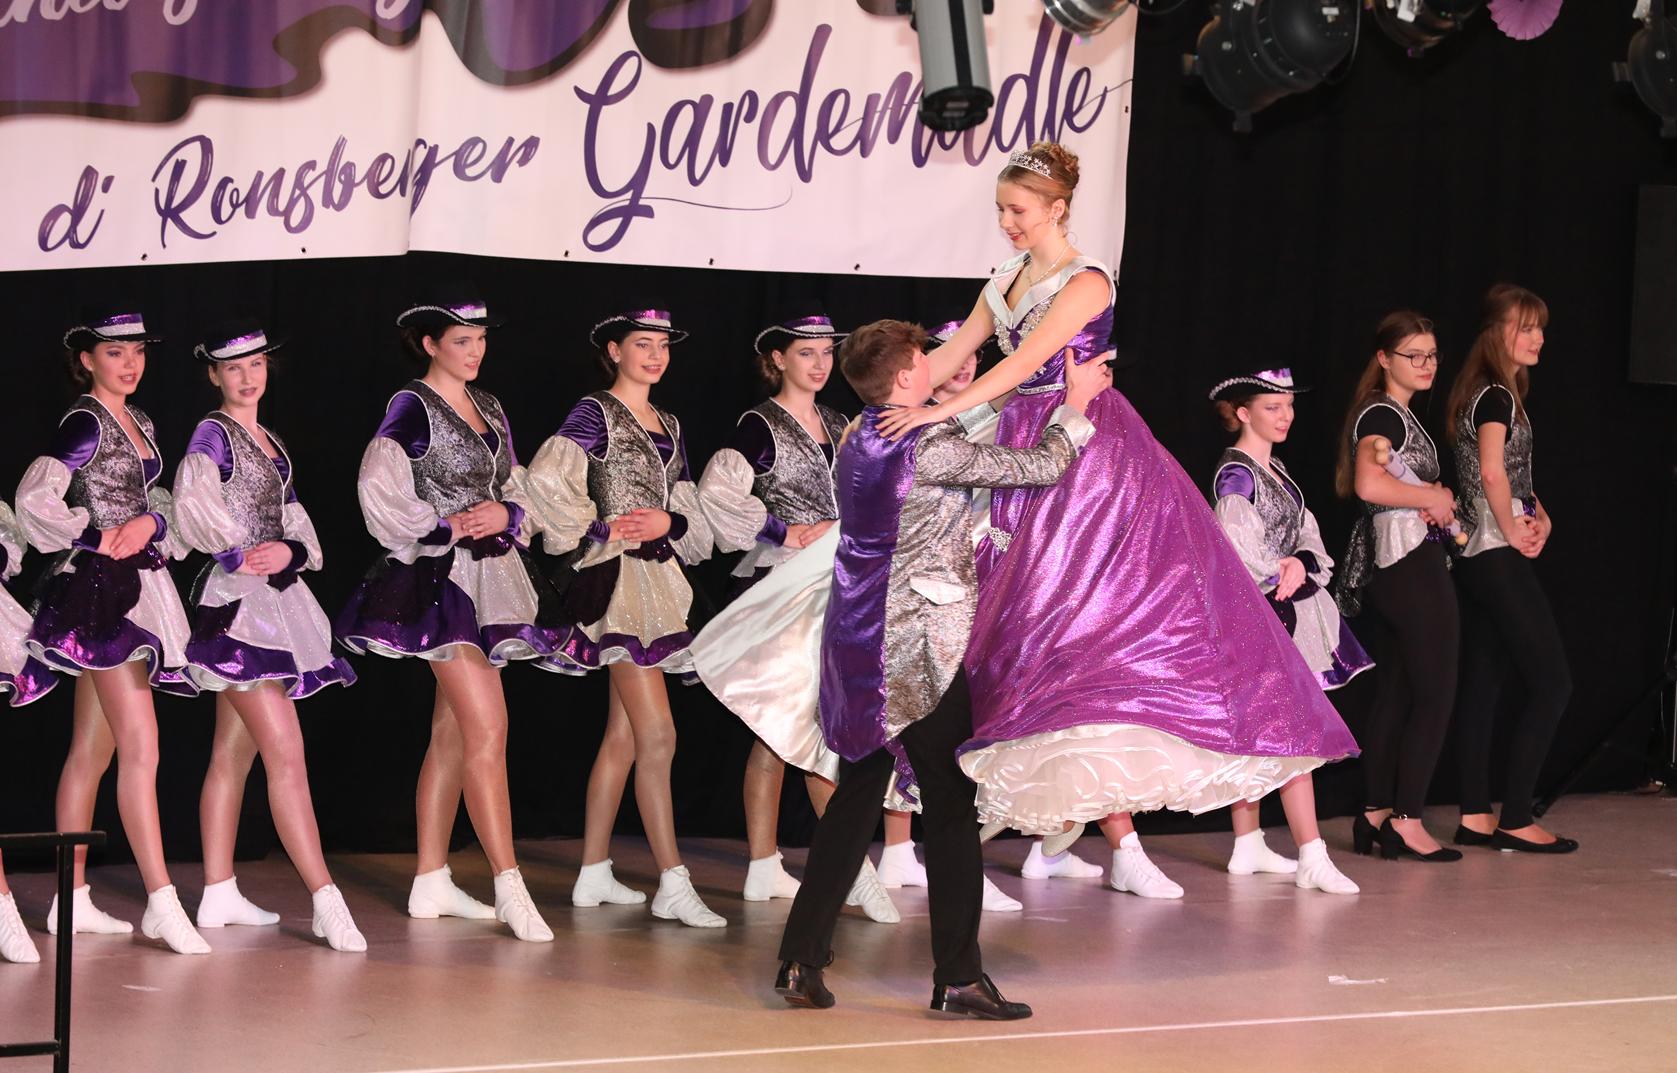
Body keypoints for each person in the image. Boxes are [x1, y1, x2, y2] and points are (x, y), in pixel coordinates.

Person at [874, 144, 1359, 897]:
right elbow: (955, 355)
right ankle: (971, 827)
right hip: (1017, 438)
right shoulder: (1005, 277)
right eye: (1001, 210)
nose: (1006, 223)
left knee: (1094, 617)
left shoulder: (1087, 279)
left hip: (1087, 452)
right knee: (1004, 619)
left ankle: (1082, 827)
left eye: (1018, 210)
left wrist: (935, 413)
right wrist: (891, 401)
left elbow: (1018, 366)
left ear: (1057, 209)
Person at [773, 319, 1107, 1018]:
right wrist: (1075, 406)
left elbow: (963, 435)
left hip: (856, 639)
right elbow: (1037, 467)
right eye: (923, 358)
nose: (936, 364)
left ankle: (801, 960)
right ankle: (958, 976)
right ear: (904, 378)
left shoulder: (857, 434)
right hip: (916, 647)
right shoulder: (926, 443)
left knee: (857, 795)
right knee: (952, 807)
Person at [336, 284, 555, 941]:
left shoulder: (489, 405)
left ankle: (430, 878)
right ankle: (510, 883)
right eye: (462, 341)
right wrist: (447, 524)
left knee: (453, 732)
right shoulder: (412, 404)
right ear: (430, 343)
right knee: (488, 727)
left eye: (481, 340)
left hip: (492, 577)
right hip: (440, 582)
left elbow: (515, 483)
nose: (475, 351)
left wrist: (508, 512)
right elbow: (378, 485)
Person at [510, 303, 724, 929]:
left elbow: (683, 507)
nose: (655, 356)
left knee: (625, 736)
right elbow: (549, 482)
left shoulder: (669, 423)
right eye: (642, 344)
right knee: (658, 734)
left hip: (659, 581)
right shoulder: (594, 412)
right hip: (619, 583)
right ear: (614, 351)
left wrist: (668, 522)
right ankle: (673, 881)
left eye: (662, 345)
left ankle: (593, 871)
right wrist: (603, 528)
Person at [693, 305, 899, 921]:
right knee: (795, 720)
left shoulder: (840, 421)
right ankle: (847, 869)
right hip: (785, 587)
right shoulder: (759, 425)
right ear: (778, 359)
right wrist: (785, 531)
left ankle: (769, 865)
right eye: (806, 353)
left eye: (827, 352)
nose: (819, 363)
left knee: (789, 725)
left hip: (839, 584)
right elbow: (718, 493)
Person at [17, 303, 210, 954]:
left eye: (138, 352)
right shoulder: (85, 420)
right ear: (87, 360)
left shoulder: (142, 420)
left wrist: (152, 522)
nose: (130, 364)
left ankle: (70, 900)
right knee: (141, 746)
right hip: (102, 593)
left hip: (136, 586)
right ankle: (161, 900)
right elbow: (36, 497)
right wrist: (97, 535)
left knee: (91, 750)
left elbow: (156, 501)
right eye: (115, 353)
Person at [174, 318, 365, 950]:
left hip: (273, 606)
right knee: (285, 751)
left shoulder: (271, 442)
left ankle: (218, 890)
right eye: (233, 368)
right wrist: (241, 553)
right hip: (237, 609)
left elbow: (293, 520)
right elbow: (193, 505)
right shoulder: (213, 433)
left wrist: (289, 550)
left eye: (256, 365)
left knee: (233, 753)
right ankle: (325, 897)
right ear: (214, 375)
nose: (247, 376)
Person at [1199, 367, 1372, 893]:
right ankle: (1311, 854)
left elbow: (1310, 538)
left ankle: (1247, 842)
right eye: (1272, 407)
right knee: (1294, 735)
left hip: (1280, 612)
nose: (1285, 416)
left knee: (1264, 734)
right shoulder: (1237, 476)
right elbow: (1236, 554)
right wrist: (1281, 570)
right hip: (1258, 618)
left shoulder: (1276, 471)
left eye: (1289, 406)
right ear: (1243, 413)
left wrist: (1298, 561)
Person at [1444, 284, 1576, 853]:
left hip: (1477, 554)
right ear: (1496, 332)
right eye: (1526, 327)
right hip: (1492, 553)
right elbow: (1493, 473)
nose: (1538, 338)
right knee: (1553, 681)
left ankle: (1475, 813)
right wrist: (1513, 526)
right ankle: (1516, 816)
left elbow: (1513, 478)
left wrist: (1539, 517)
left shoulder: (1493, 392)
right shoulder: (1495, 394)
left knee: (1485, 680)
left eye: (1540, 327)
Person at [1332, 311, 1463, 862]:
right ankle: (1407, 820)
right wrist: (1431, 497)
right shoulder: (1383, 412)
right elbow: (1369, 483)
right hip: (1408, 564)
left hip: (1394, 565)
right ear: (1385, 359)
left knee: (1399, 692)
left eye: (1432, 354)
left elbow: (1385, 482)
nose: (1427, 364)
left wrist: (1429, 495)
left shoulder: (1393, 413)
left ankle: (1375, 813)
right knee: (1434, 692)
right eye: (1414, 355)